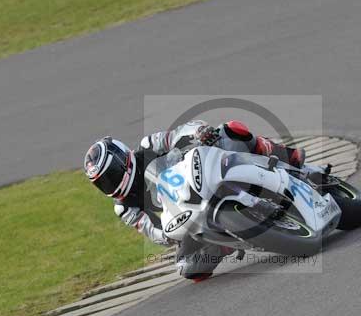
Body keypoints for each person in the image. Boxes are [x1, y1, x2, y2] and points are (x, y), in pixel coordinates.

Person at [83, 120, 306, 282]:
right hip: (189, 215)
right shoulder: (125, 207)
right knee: (187, 267)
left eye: (111, 175)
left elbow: (178, 134)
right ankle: (225, 244)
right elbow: (153, 232)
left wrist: (199, 132)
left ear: (122, 158)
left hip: (201, 171)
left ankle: (283, 154)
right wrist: (171, 233)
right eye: (103, 183)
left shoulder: (148, 145)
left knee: (229, 130)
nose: (111, 184)